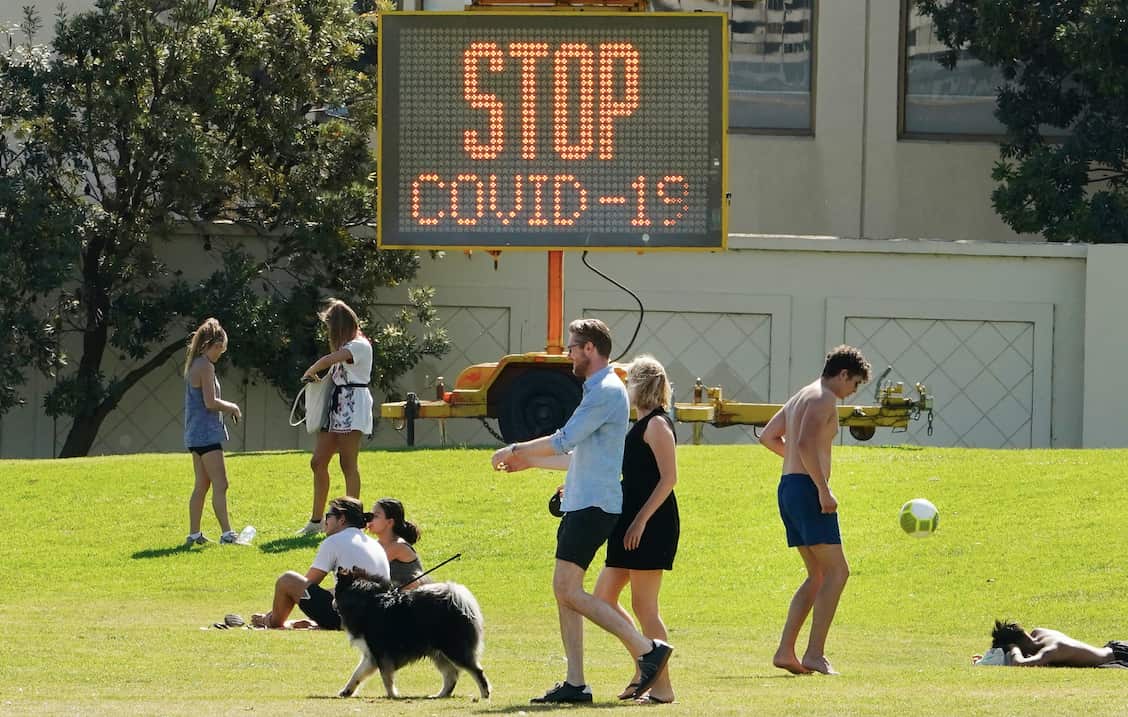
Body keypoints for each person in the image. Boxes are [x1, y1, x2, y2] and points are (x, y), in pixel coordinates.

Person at [492, 319, 674, 704]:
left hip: (593, 506)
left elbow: (564, 440)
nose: (569, 353)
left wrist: (515, 450)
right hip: (583, 501)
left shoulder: (605, 391)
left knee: (567, 589)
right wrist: (531, 463)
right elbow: (583, 455)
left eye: (573, 346)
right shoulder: (598, 391)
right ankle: (576, 683)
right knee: (565, 593)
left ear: (590, 348)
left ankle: (646, 650)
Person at [758, 344, 871, 675]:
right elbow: (806, 443)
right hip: (807, 492)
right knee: (838, 572)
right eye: (854, 384)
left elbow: (768, 437)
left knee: (818, 574)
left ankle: (785, 651)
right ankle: (814, 654)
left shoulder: (801, 395)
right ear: (843, 374)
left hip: (789, 488)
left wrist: (799, 469)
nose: (852, 392)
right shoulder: (823, 398)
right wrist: (822, 486)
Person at [296, 299, 374, 536]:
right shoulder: (348, 346)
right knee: (318, 461)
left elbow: (330, 360)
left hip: (353, 406)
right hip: (337, 406)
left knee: (347, 463)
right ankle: (317, 520)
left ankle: (351, 520)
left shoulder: (359, 345)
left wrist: (310, 371)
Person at [252, 496, 389, 630]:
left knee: (287, 580)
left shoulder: (334, 541)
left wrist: (272, 613)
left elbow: (306, 584)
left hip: (349, 617)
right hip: (378, 617)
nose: (325, 521)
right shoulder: (374, 544)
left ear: (341, 519)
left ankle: (268, 621)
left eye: (328, 516)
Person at [182, 318, 242, 546]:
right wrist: (232, 407)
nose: (220, 354)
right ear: (211, 344)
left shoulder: (195, 363)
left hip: (195, 434)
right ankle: (227, 534)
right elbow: (210, 402)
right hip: (206, 435)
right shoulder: (205, 366)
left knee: (202, 485)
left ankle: (194, 534)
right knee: (221, 483)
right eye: (220, 349)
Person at [988, 620, 1128, 668]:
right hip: (1114, 647)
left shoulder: (1052, 649)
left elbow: (1020, 664)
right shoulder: (1039, 632)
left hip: (1118, 656)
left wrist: (1013, 648)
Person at [368, 498, 427, 589]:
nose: (369, 519)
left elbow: (367, 566)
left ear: (390, 522)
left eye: (375, 516)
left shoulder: (398, 546)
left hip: (412, 599)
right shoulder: (376, 544)